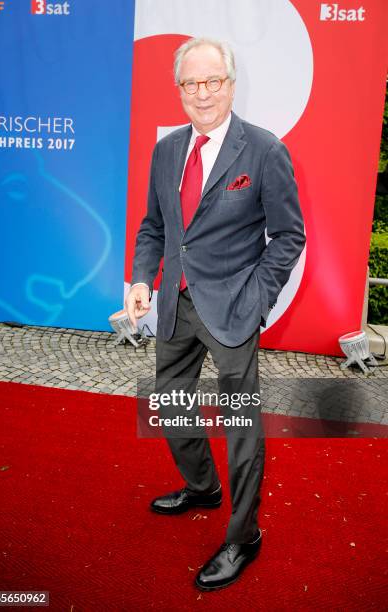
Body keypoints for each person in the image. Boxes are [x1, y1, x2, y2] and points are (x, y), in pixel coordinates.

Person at [126, 37, 306, 591]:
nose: (202, 93)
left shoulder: (263, 150)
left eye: (213, 81)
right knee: (171, 408)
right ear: (178, 88)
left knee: (241, 427)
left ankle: (242, 536)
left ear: (231, 84)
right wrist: (140, 278)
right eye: (191, 83)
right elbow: (155, 226)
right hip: (174, 306)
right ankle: (203, 488)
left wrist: (255, 300)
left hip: (233, 310)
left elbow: (289, 237)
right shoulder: (166, 150)